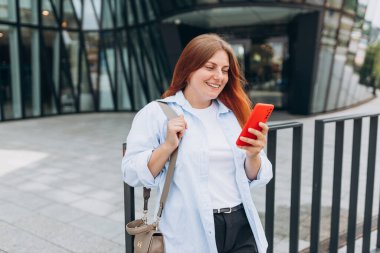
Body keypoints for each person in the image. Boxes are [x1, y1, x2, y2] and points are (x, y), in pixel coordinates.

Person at [122, 33, 273, 253]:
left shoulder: (233, 114)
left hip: (241, 225)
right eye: (210, 67)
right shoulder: (157, 113)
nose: (219, 76)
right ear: (189, 68)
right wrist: (166, 147)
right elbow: (130, 173)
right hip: (190, 232)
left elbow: (258, 176)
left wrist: (254, 155)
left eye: (224, 70)